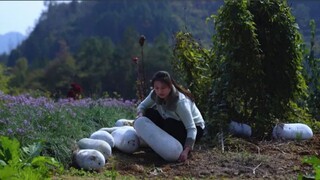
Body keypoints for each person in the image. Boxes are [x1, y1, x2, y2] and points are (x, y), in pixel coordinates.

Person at [136, 71, 205, 162]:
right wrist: (140, 116)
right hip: (170, 121)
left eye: (163, 88)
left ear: (170, 86)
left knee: (169, 123)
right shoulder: (154, 94)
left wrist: (186, 151)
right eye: (157, 88)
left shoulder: (180, 103)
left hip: (194, 128)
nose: (160, 91)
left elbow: (191, 128)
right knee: (149, 113)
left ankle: (172, 147)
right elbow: (142, 106)